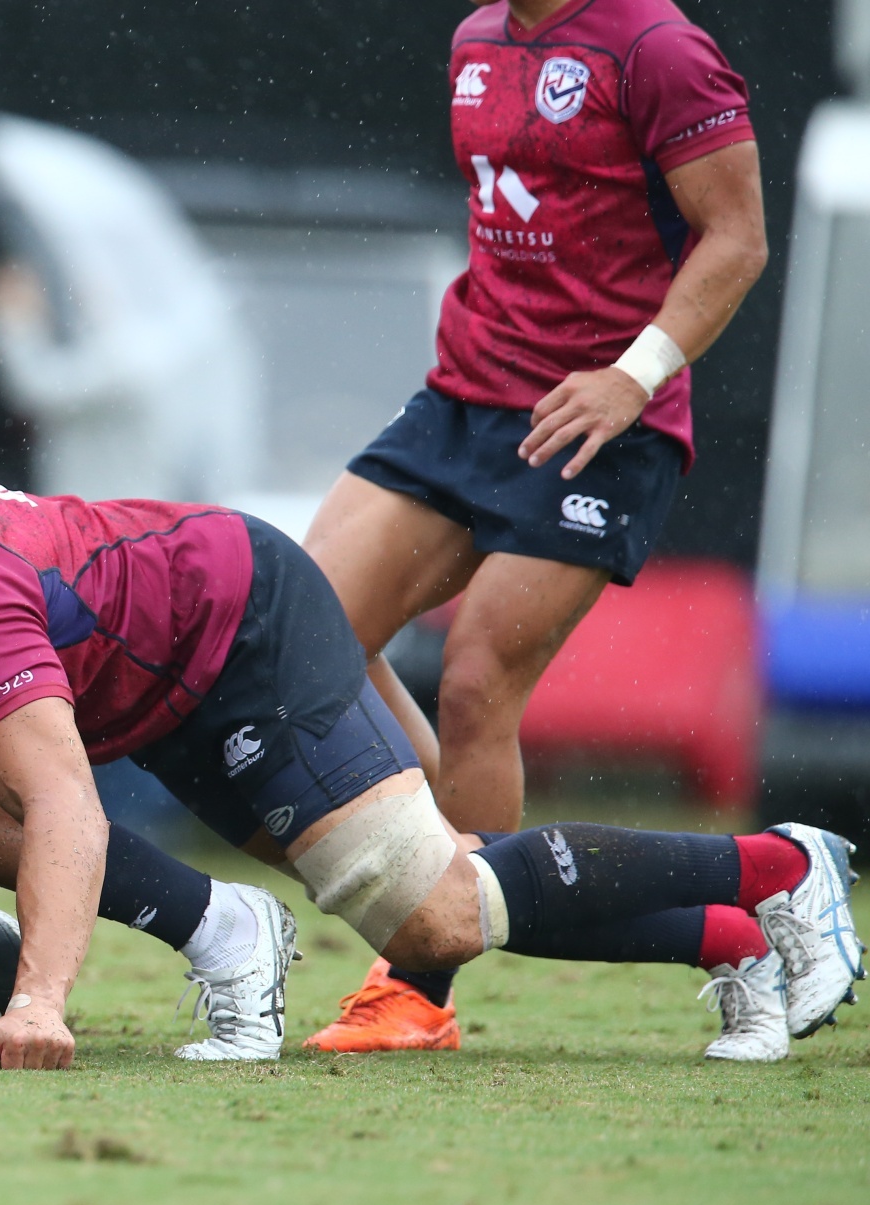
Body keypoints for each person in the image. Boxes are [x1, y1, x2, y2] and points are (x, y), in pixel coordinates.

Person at [0, 441, 863, 1071]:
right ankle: (733, 940)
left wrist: (38, 999)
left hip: (236, 630)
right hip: (171, 670)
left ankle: (778, 865)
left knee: (430, 906)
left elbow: (60, 804)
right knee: (422, 903)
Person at [302, 0, 775, 1055]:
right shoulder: (476, 38)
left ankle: (419, 988)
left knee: (475, 687)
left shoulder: (655, 46)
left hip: (598, 420)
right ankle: (713, 924)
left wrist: (632, 376)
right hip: (460, 401)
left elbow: (737, 236)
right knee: (303, 631)